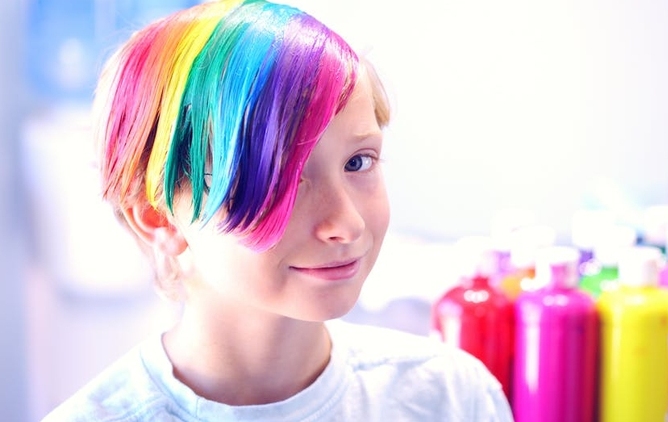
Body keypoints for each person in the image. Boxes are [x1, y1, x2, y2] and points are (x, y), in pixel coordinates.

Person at [43, 1, 514, 420]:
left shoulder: (449, 398)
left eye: (357, 162)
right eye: (280, 180)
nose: (347, 224)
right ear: (161, 218)